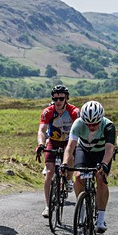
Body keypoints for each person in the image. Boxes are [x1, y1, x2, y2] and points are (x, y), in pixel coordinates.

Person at [61, 100, 116, 233]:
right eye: (88, 124)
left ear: (101, 119)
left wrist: (103, 164)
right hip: (84, 150)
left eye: (95, 124)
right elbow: (70, 147)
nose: (91, 127)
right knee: (78, 176)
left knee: (101, 179)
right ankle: (81, 210)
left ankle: (101, 218)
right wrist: (64, 163)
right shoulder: (78, 124)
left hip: (101, 153)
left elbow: (109, 149)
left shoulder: (108, 126)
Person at [35, 85, 79, 217]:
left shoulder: (74, 112)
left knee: (69, 156)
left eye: (61, 98)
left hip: (69, 141)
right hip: (53, 141)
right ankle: (48, 206)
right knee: (49, 172)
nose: (58, 101)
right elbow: (42, 130)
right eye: (55, 98)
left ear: (66, 98)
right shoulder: (48, 112)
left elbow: (80, 129)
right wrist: (41, 144)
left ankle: (69, 179)